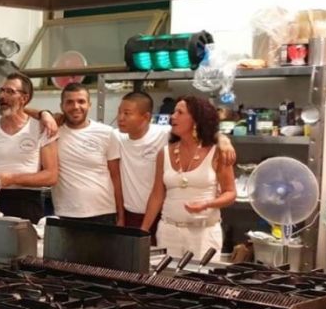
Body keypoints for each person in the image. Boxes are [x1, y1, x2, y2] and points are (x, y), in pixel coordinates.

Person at [110, 91, 236, 235]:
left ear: (146, 117)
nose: (120, 118)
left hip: (181, 219)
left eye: (127, 113)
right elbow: (155, 193)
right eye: (119, 112)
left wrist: (223, 140)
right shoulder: (116, 137)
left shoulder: (165, 133)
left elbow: (201, 132)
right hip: (139, 216)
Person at [140, 96, 237, 258]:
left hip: (204, 234)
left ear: (196, 119)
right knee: (166, 281)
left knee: (200, 281)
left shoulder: (218, 151)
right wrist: (143, 230)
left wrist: (207, 203)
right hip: (169, 231)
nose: (173, 116)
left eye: (180, 112)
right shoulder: (164, 152)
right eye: (173, 112)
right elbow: (157, 195)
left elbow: (230, 193)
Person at [0, 72, 58, 222]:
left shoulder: (41, 128)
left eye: (10, 91)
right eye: (1, 90)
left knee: (25, 245)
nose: (2, 96)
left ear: (24, 98)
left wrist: (12, 178)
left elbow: (51, 175)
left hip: (28, 202)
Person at [52, 83, 122, 224]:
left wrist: (121, 216)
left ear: (89, 104)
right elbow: (25, 113)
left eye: (81, 101)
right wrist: (46, 115)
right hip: (66, 213)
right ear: (62, 106)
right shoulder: (53, 131)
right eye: (70, 102)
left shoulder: (107, 133)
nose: (76, 106)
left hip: (104, 212)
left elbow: (116, 176)